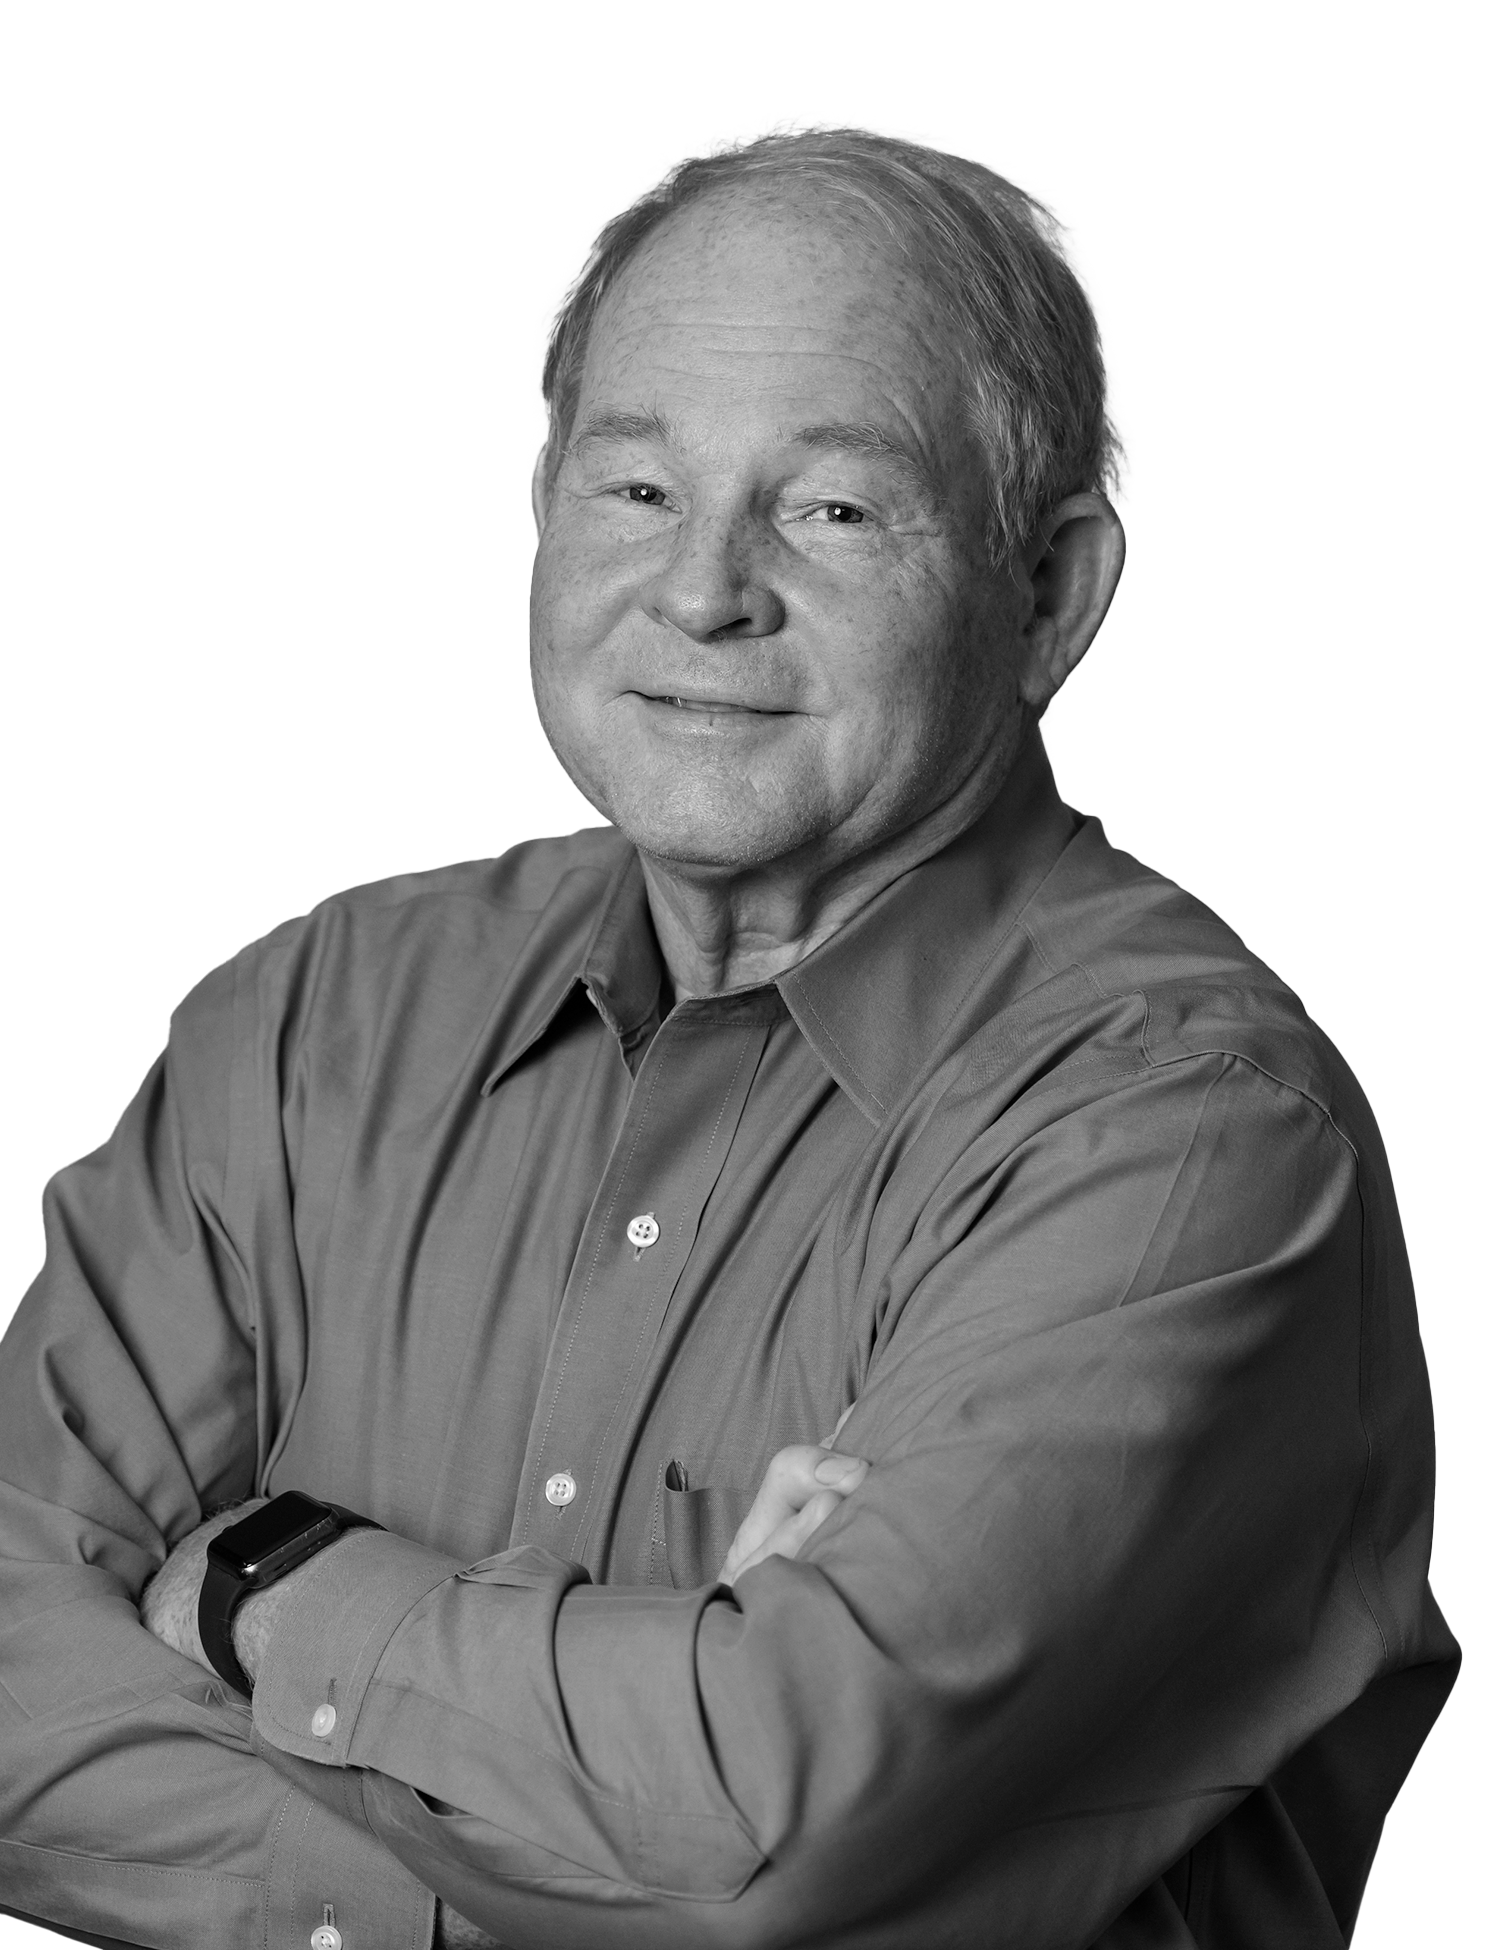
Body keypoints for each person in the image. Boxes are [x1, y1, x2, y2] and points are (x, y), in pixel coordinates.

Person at [0, 124, 1456, 1950]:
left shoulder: (1190, 1137)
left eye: (831, 509)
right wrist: (610, 1790)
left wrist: (261, 1587)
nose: (703, 590)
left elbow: (775, 1830)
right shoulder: (316, 1026)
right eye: (635, 487)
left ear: (1048, 592)